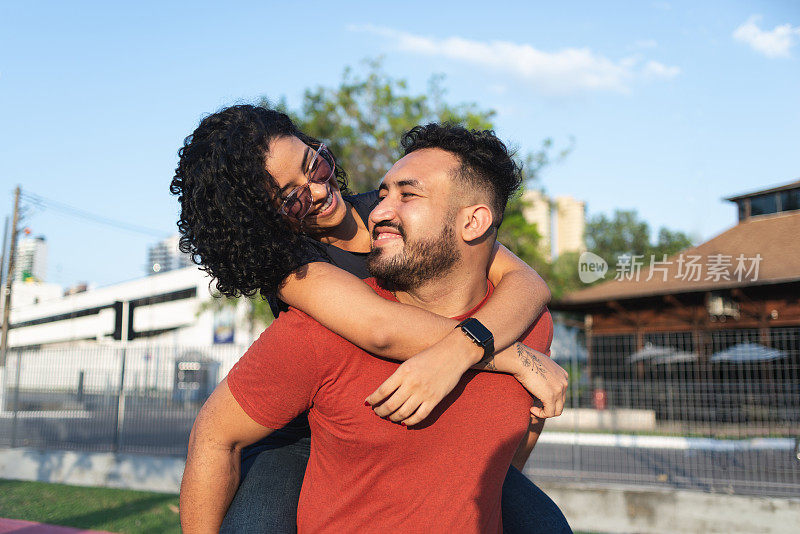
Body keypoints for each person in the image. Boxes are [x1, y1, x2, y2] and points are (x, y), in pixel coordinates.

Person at [171, 106, 571, 532]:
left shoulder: (383, 207)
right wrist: (502, 355)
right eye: (292, 198)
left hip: (400, 427)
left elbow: (526, 281)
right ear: (262, 218)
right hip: (304, 430)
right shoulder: (294, 267)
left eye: (315, 165)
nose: (320, 192)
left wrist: (481, 351)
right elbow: (380, 328)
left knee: (544, 523)